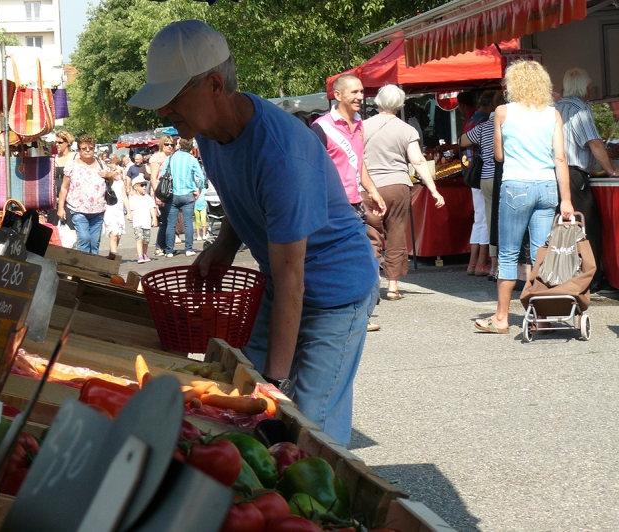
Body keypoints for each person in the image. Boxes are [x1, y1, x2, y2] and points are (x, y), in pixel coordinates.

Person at [128, 20, 379, 445]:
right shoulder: (208, 134)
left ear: (212, 85)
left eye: (172, 98)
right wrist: (223, 246)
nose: (162, 111)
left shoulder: (282, 154)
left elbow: (292, 280)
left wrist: (274, 383)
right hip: (282, 283)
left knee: (306, 425)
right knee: (237, 385)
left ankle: (317, 503)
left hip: (335, 292)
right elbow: (246, 201)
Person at [474, 60, 574, 334]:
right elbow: (560, 158)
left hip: (516, 185)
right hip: (547, 187)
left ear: (513, 84)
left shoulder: (503, 112)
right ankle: (542, 317)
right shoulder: (553, 114)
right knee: (540, 254)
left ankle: (501, 318)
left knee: (508, 253)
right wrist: (566, 200)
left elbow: (498, 156)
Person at [311, 74, 387, 332]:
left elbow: (358, 161)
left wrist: (372, 190)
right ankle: (344, 317)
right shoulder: (321, 128)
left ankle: (356, 315)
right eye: (354, 92)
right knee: (346, 262)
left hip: (354, 206)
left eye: (362, 91)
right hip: (331, 208)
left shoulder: (359, 124)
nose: (359, 96)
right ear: (338, 95)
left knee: (362, 260)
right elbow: (313, 169)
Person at [363, 84, 445, 301]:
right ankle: (393, 286)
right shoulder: (406, 130)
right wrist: (433, 189)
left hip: (368, 187)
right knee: (396, 233)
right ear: (400, 104)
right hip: (397, 187)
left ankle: (372, 284)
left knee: (371, 234)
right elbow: (417, 161)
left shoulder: (362, 127)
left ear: (378, 101)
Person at [556, 68, 619, 290]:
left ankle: (564, 275)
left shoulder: (556, 107)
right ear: (584, 87)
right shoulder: (580, 109)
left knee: (562, 227)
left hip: (554, 172)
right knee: (587, 225)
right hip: (574, 175)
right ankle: (591, 277)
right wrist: (611, 170)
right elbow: (594, 143)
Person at [57, 134, 115, 254]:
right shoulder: (72, 165)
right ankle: (82, 269)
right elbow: (64, 187)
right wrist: (60, 208)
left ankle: (92, 270)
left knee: (94, 242)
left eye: (91, 148)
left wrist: (109, 175)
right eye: (84, 148)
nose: (88, 151)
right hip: (78, 210)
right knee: (84, 239)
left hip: (98, 210)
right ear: (79, 150)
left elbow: (110, 181)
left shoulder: (101, 164)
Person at [460, 91, 496, 277]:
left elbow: (462, 142)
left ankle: (473, 263)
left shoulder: (472, 120)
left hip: (475, 175)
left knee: (479, 219)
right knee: (486, 220)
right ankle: (482, 262)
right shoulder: (485, 122)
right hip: (486, 173)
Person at [163, 137, 204, 257]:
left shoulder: (170, 158)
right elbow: (201, 177)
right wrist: (198, 190)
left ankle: (169, 251)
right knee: (188, 223)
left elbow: (162, 175)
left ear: (179, 145)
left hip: (173, 195)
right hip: (188, 194)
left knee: (171, 224)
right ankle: (189, 249)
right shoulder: (192, 159)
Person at [149, 135, 176, 255]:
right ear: (162, 144)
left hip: (171, 190)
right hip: (161, 190)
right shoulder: (157, 158)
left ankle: (166, 245)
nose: (170, 147)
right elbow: (153, 178)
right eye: (167, 144)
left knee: (170, 219)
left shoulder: (173, 157)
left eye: (172, 144)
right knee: (165, 220)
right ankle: (159, 246)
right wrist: (158, 195)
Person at [48, 130, 77, 226]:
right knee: (52, 229)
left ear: (68, 143)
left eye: (60, 142)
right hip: (54, 198)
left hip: (71, 198)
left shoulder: (75, 157)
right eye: (56, 142)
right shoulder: (53, 158)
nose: (57, 144)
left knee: (71, 228)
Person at [104, 154, 131, 254]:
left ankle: (112, 253)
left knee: (118, 235)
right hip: (109, 210)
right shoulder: (106, 183)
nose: (116, 173)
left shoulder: (120, 183)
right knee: (113, 235)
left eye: (117, 170)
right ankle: (114, 257)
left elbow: (124, 197)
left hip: (119, 211)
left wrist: (129, 212)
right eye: (114, 171)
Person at [128, 175, 157, 263]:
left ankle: (145, 253)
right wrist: (130, 215)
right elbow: (131, 210)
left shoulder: (148, 198)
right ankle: (140, 256)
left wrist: (154, 218)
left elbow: (152, 208)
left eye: (145, 185)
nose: (144, 187)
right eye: (142, 185)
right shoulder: (133, 199)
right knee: (139, 239)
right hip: (137, 222)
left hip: (146, 222)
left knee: (146, 240)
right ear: (136, 187)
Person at [194, 176, 208, 241]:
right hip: (196, 207)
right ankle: (198, 235)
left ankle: (204, 234)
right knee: (197, 222)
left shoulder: (205, 190)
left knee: (203, 221)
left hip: (203, 207)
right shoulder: (194, 190)